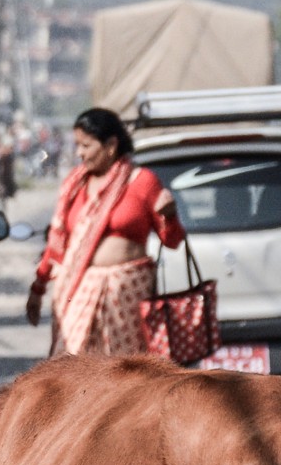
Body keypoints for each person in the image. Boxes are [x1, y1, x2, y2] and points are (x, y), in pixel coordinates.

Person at [27, 107, 185, 357]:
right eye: (78, 145)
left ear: (111, 145)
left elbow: (172, 240)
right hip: (81, 290)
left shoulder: (142, 182)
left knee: (124, 374)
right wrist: (38, 288)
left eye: (86, 146)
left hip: (128, 296)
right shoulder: (75, 186)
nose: (79, 153)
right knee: (70, 362)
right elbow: (57, 247)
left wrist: (170, 216)